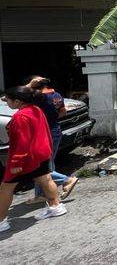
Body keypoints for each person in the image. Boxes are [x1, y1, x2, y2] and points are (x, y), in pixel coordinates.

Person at [0, 86, 67, 233]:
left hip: (26, 157)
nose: (7, 104)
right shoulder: (36, 109)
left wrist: (17, 162)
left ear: (17, 101)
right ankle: (56, 207)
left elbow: (21, 142)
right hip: (40, 152)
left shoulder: (20, 117)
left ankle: (1, 221)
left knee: (6, 188)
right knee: (45, 179)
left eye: (8, 100)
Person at [24, 77, 78, 204]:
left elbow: (21, 93)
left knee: (41, 167)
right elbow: (63, 112)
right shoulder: (56, 95)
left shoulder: (38, 97)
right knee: (47, 163)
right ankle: (40, 194)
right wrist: (51, 117)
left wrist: (30, 84)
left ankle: (67, 180)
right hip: (56, 130)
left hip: (43, 134)